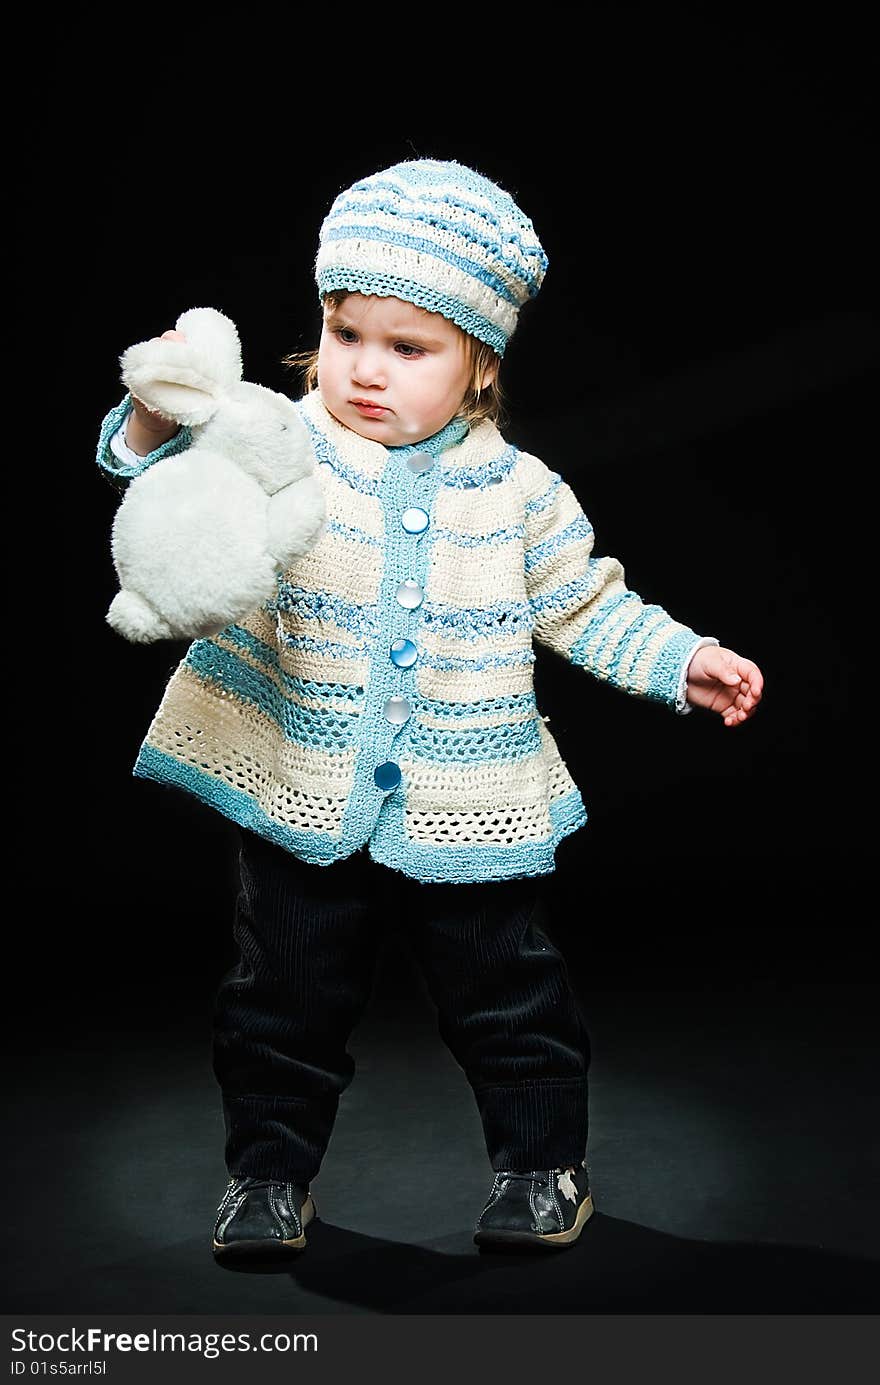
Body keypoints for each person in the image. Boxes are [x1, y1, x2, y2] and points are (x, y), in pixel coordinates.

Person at [95, 158, 763, 1260]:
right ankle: (266, 1177)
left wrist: (678, 661)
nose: (365, 370)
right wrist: (158, 408)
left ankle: (542, 1167)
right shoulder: (280, 440)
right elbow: (156, 471)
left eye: (409, 348)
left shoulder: (521, 491)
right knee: (278, 1001)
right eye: (347, 333)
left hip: (470, 790)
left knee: (508, 995)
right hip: (296, 781)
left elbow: (588, 602)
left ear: (480, 363)